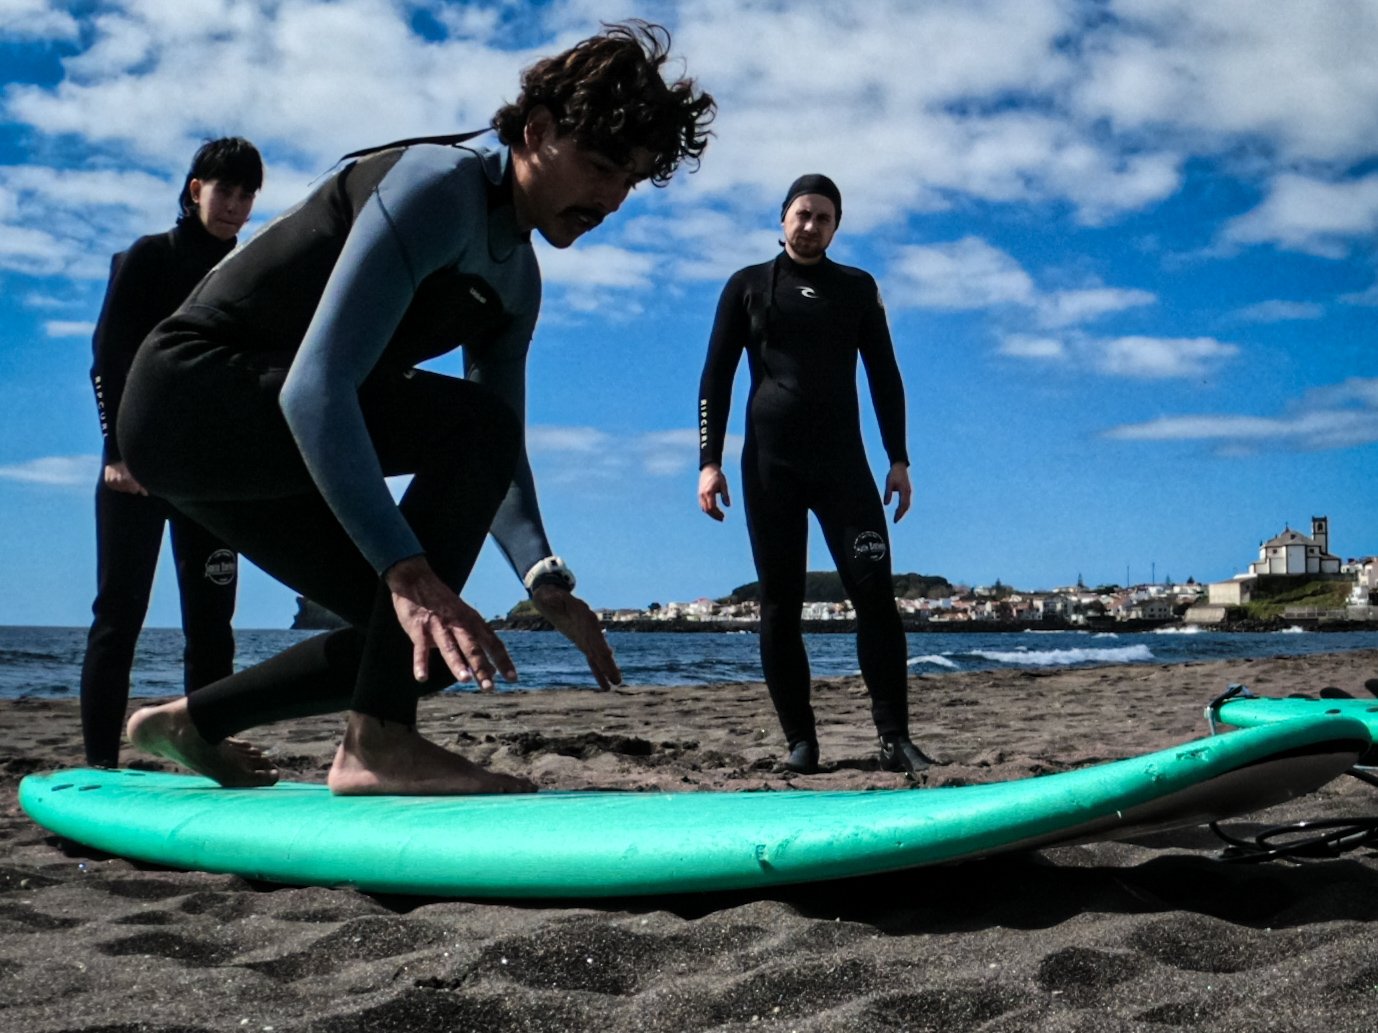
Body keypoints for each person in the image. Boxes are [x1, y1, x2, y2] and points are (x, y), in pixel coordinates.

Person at [117, 22, 715, 795]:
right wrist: (409, 570)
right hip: (190, 394)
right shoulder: (440, 186)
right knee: (420, 601)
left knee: (418, 649)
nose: (609, 197)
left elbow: (498, 452)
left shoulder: (517, 282)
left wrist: (542, 576)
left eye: (627, 178)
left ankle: (190, 722)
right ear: (536, 131)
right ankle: (377, 743)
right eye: (599, 165)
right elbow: (315, 386)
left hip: (254, 438)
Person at [696, 174, 934, 778]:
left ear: (836, 227)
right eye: (802, 214)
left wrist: (898, 459)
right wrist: (709, 462)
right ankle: (801, 742)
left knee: (876, 598)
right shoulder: (747, 286)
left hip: (844, 470)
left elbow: (885, 374)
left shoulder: (857, 289)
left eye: (823, 218)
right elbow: (715, 377)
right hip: (770, 468)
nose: (810, 226)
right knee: (781, 605)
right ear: (782, 219)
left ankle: (895, 737)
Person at [80, 137, 264, 769]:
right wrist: (116, 451)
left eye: (247, 196)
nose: (235, 206)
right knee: (119, 615)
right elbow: (108, 356)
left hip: (208, 480)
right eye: (225, 191)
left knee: (213, 624)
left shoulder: (245, 271)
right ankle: (101, 762)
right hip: (133, 470)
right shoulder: (148, 258)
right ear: (196, 190)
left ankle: (205, 748)